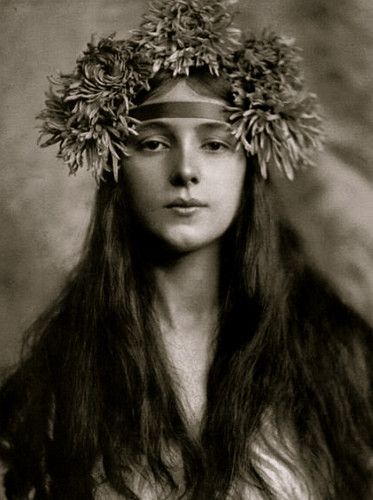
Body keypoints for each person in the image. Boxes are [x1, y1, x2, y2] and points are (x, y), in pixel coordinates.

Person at [0, 0, 372, 498]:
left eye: (215, 144)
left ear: (250, 168)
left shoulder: (336, 355)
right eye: (153, 143)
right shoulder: (59, 379)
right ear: (116, 168)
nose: (186, 171)